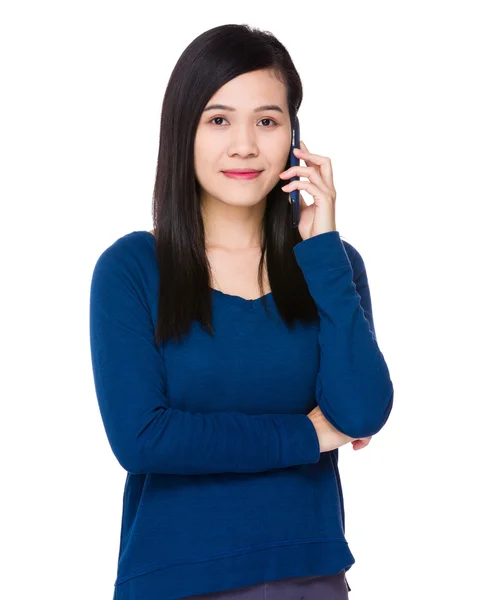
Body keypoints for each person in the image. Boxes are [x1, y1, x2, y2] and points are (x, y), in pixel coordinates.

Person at [89, 23, 394, 600]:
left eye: (268, 120)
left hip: (312, 574)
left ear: (294, 135)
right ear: (184, 132)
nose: (245, 146)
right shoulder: (133, 268)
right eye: (219, 119)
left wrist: (322, 251)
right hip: (177, 578)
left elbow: (361, 413)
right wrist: (303, 436)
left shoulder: (332, 265)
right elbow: (142, 438)